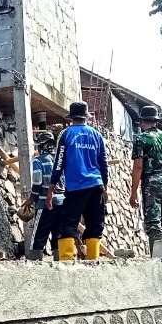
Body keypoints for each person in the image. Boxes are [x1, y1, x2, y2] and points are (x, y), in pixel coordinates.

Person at [47, 102, 108, 262]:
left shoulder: (66, 134)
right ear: (86, 117)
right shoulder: (96, 135)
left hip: (75, 189)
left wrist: (50, 190)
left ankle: (66, 261)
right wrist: (105, 188)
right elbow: (103, 164)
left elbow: (58, 163)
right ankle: (93, 261)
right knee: (94, 225)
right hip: (96, 186)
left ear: (71, 118)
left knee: (66, 224)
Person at [130, 106, 162, 252]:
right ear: (156, 121)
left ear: (142, 121)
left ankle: (158, 257)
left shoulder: (141, 139)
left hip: (152, 183)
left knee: (153, 222)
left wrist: (133, 193)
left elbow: (138, 167)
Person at [25, 131, 64, 261]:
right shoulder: (60, 160)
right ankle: (59, 264)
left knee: (38, 236)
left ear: (41, 146)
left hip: (44, 204)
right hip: (62, 203)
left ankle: (35, 266)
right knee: (58, 235)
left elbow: (37, 183)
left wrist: (31, 199)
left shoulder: (38, 161)